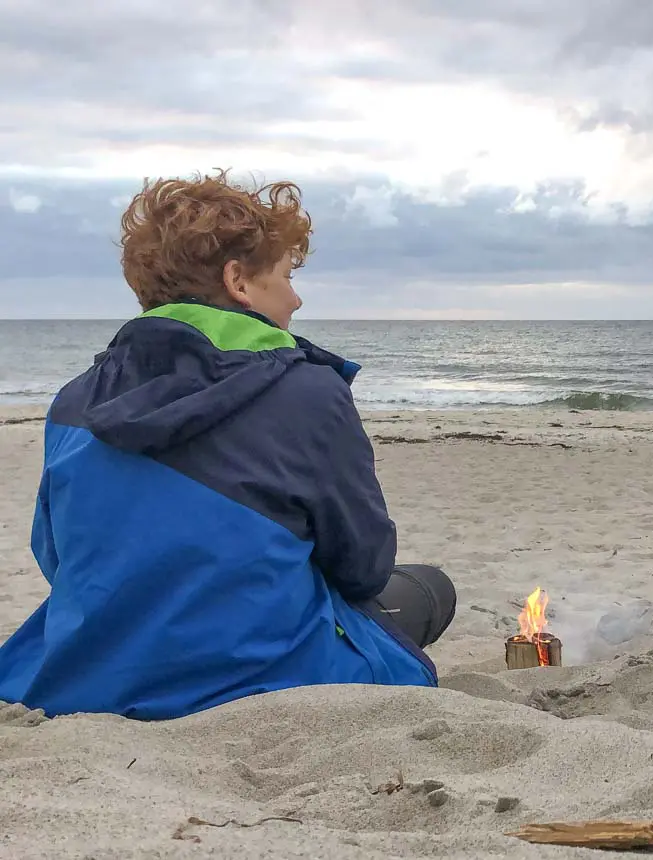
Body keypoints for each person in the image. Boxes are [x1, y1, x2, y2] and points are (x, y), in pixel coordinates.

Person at [0, 170, 456, 720]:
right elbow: (362, 567)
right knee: (429, 590)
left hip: (91, 678)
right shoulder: (307, 389)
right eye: (286, 276)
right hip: (258, 684)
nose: (296, 298)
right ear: (238, 280)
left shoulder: (75, 401)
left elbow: (56, 557)